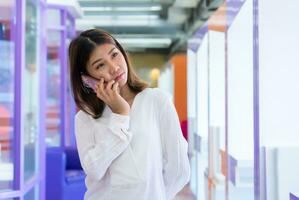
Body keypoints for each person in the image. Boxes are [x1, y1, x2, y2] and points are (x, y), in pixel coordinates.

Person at [68, 28, 190, 200]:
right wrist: (120, 115)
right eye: (100, 65)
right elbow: (94, 170)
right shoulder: (85, 118)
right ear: (86, 78)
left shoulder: (157, 101)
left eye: (114, 55)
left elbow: (179, 170)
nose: (114, 67)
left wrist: (156, 195)